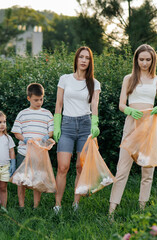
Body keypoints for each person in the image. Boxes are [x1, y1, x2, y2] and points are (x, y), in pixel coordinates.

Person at [108, 44, 157, 217]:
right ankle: (111, 210)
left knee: (147, 170)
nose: (145, 63)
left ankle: (142, 208)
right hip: (132, 124)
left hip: (150, 125)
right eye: (141, 59)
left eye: (148, 60)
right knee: (122, 168)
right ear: (136, 60)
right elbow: (121, 104)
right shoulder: (129, 78)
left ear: (153, 60)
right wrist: (128, 110)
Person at [53, 46, 101, 214]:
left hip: (85, 126)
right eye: (81, 57)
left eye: (87, 58)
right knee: (62, 167)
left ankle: (75, 204)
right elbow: (59, 104)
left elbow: (94, 104)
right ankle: (57, 205)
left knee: (80, 168)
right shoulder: (65, 79)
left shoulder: (94, 83)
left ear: (90, 62)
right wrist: (56, 125)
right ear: (76, 59)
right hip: (66, 125)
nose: (83, 60)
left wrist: (95, 124)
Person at [11, 83, 54, 209]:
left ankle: (36, 206)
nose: (39, 102)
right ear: (28, 98)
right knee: (21, 180)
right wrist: (25, 139)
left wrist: (47, 136)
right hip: (24, 152)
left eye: (41, 99)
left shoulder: (47, 113)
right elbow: (16, 132)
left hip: (39, 153)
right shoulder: (23, 114)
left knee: (37, 180)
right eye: (36, 100)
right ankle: (21, 206)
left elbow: (51, 131)